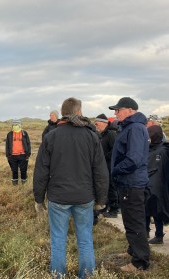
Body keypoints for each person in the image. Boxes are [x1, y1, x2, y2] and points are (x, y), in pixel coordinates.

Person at [33, 97, 108, 279]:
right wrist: (101, 200)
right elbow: (100, 172)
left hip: (58, 198)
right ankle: (87, 276)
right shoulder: (91, 136)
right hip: (84, 198)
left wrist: (38, 199)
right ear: (78, 112)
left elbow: (41, 171)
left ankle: (58, 276)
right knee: (85, 240)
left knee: (58, 240)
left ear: (63, 113)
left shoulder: (51, 136)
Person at [109, 97, 150, 272]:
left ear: (130, 110)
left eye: (118, 110)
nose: (115, 113)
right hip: (129, 182)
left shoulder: (134, 128)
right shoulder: (130, 127)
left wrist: (115, 170)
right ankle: (133, 250)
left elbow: (133, 159)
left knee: (134, 222)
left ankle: (140, 262)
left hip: (131, 183)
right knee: (131, 220)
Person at [145, 125, 169, 244]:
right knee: (145, 210)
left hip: (158, 187)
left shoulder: (163, 151)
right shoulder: (148, 149)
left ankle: (159, 234)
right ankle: (145, 232)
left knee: (157, 211)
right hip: (146, 183)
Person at [94, 114, 119, 218]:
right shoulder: (100, 135)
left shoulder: (111, 134)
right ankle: (104, 208)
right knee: (105, 187)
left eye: (97, 123)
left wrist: (103, 157)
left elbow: (115, 150)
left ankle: (114, 210)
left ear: (103, 123)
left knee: (111, 188)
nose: (96, 126)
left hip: (110, 166)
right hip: (103, 166)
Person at [5, 119, 31, 185]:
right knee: (14, 171)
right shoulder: (9, 134)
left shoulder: (24, 133)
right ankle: (15, 184)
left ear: (20, 125)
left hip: (23, 155)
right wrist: (8, 155)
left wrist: (28, 154)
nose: (15, 126)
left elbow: (28, 144)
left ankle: (24, 183)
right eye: (14, 125)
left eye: (16, 124)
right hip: (12, 156)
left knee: (23, 170)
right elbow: (7, 145)